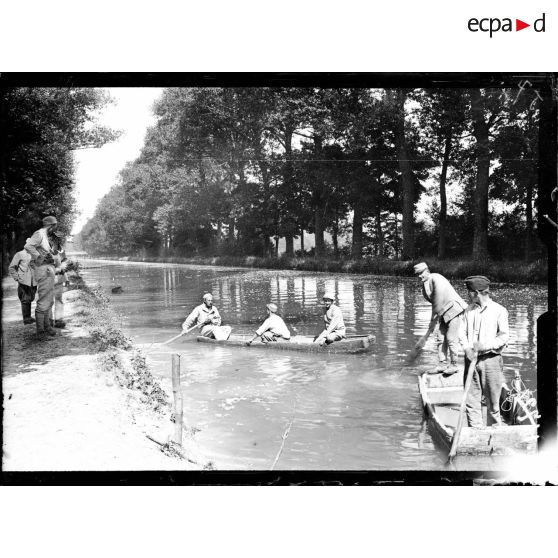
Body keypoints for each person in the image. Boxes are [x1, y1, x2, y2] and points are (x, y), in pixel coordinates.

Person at [458, 275, 510, 428]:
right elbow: (461, 332)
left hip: (491, 361)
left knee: (493, 402)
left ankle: (495, 433)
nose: (468, 294)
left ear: (476, 292)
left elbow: (504, 336)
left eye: (469, 291)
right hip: (471, 360)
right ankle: (476, 432)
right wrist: (467, 348)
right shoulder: (468, 310)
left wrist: (485, 346)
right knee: (471, 400)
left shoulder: (499, 310)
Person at [414, 262, 468, 375]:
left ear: (427, 270)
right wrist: (433, 322)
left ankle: (454, 365)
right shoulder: (424, 284)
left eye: (421, 273)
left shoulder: (436, 278)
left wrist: (432, 323)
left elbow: (437, 302)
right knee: (440, 337)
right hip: (443, 312)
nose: (419, 276)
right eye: (417, 274)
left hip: (454, 309)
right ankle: (442, 364)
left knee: (451, 337)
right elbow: (433, 303)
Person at [24, 216, 59, 339]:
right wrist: (39, 257)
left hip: (48, 269)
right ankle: (40, 332)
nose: (55, 228)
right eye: (55, 226)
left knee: (49, 299)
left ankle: (47, 326)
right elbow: (28, 246)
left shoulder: (44, 235)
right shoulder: (39, 234)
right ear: (51, 225)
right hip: (43, 269)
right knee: (44, 300)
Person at [8, 246, 37, 324]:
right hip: (24, 281)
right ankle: (26, 319)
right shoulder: (19, 254)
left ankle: (29, 317)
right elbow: (11, 267)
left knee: (30, 298)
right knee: (25, 299)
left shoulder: (35, 254)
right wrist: (17, 278)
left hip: (33, 281)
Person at [50, 229, 69, 328]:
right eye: (56, 238)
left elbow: (64, 265)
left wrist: (67, 278)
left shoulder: (61, 251)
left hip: (59, 278)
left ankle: (58, 320)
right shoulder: (44, 250)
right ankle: (48, 321)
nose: (57, 240)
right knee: (48, 300)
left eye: (59, 239)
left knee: (58, 299)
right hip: (47, 279)